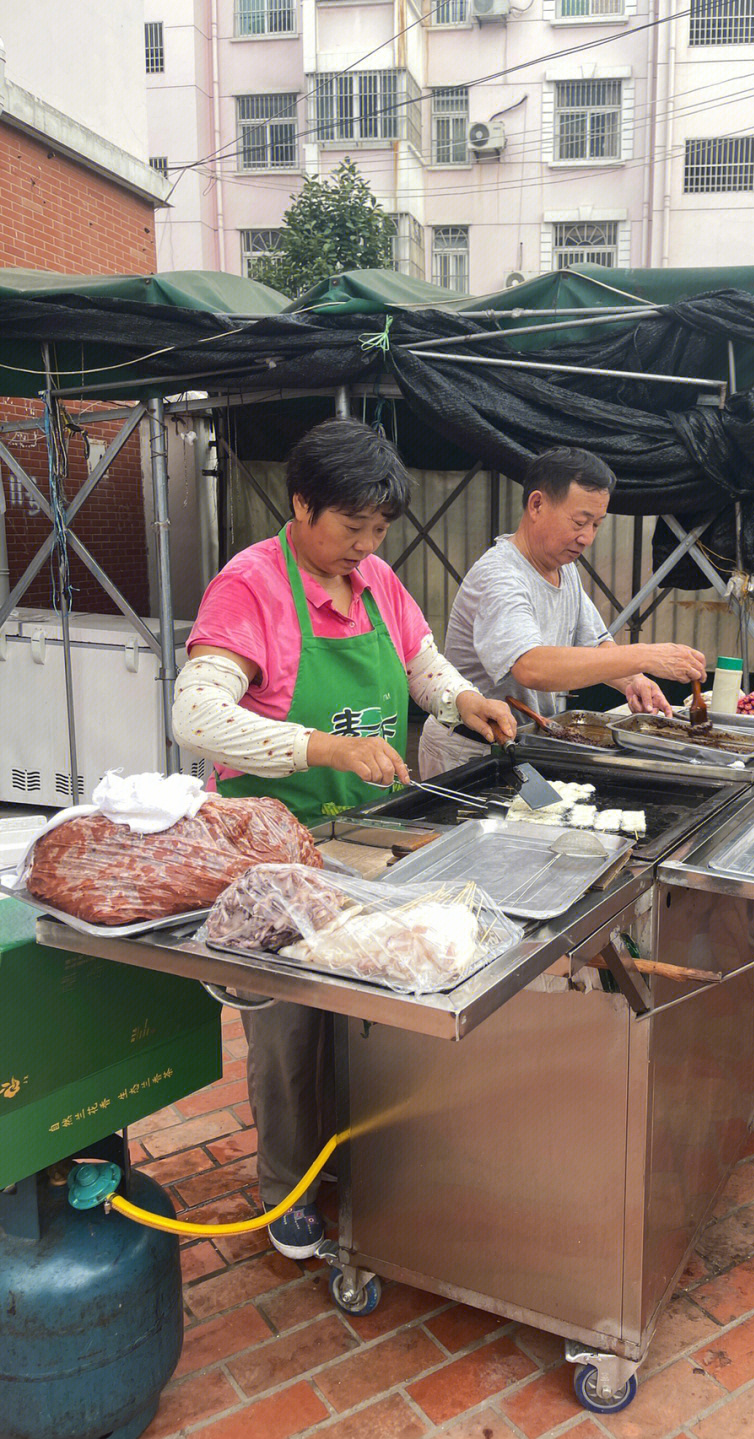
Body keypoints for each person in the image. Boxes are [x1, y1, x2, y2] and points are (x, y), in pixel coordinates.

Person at [172, 419, 514, 1258]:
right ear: (301, 505)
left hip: (367, 839)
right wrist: (325, 746)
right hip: (274, 849)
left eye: (378, 530)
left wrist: (460, 700)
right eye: (351, 527)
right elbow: (196, 716)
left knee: (370, 1013)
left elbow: (422, 660)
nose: (365, 546)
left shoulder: (376, 582)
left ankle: (361, 1166)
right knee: (291, 1028)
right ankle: (288, 1186)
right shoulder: (250, 585)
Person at [418, 447, 708, 778]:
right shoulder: (501, 576)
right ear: (537, 505)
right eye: (580, 522)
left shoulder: (563, 567)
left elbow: (595, 646)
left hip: (525, 742)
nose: (587, 538)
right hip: (470, 752)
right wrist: (644, 656)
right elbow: (531, 667)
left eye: (597, 525)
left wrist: (633, 680)